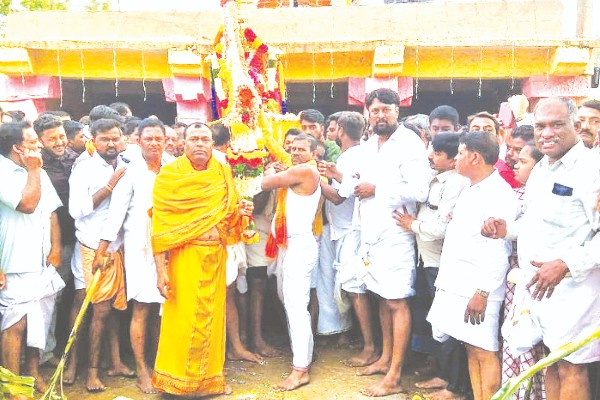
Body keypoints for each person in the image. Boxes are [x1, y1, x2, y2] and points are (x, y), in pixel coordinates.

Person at [482, 97, 600, 400]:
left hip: (576, 289)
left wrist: (566, 264)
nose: (546, 133)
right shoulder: (541, 170)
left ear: (576, 125)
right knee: (551, 361)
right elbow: (534, 224)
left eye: (556, 125)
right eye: (541, 126)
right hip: (539, 288)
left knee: (572, 367)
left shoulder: (592, 169)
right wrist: (505, 229)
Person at [151, 122, 253, 397]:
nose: (199, 144)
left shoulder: (222, 171)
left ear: (212, 144)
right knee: (181, 322)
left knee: (211, 321)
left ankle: (208, 382)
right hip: (184, 257)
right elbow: (161, 228)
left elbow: (228, 216)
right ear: (183, 144)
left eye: (204, 140)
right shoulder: (170, 175)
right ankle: (174, 383)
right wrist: (161, 272)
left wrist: (241, 211)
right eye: (193, 139)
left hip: (216, 256)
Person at [428, 131, 519, 400]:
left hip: (478, 289)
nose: (457, 158)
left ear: (475, 157)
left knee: (484, 351)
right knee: (471, 347)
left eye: (461, 152)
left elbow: (497, 248)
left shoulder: (497, 193)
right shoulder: (473, 186)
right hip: (460, 284)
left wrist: (482, 292)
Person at [353, 88, 431, 397]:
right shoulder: (369, 144)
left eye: (386, 109)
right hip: (371, 233)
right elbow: (358, 181)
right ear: (368, 114)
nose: (381, 115)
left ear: (397, 111)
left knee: (397, 301)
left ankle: (396, 375)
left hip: (396, 233)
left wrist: (377, 189)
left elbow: (420, 190)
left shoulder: (409, 143)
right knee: (382, 298)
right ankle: (385, 359)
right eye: (375, 110)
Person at [93, 118, 169, 394]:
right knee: (142, 309)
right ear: (138, 141)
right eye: (148, 138)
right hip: (140, 248)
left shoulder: (175, 167)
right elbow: (115, 216)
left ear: (166, 140)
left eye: (158, 138)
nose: (153, 143)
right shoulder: (129, 172)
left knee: (167, 310)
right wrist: (102, 249)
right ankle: (142, 370)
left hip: (173, 248)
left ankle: (164, 365)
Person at [394, 132, 470, 400]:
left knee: (448, 325)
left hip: (441, 263)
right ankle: (442, 374)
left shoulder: (456, 183)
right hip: (426, 260)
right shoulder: (434, 178)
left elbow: (440, 228)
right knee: (432, 320)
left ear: (452, 160)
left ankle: (456, 386)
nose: (430, 156)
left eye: (437, 153)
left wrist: (411, 225)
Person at [0, 121, 65, 394]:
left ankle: (33, 371)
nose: (38, 146)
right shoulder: (4, 172)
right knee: (16, 324)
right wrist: (34, 170)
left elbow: (50, 211)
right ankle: (14, 386)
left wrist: (56, 248)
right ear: (17, 148)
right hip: (13, 262)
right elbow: (27, 204)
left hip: (42, 261)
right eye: (32, 142)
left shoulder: (36, 170)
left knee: (40, 320)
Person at [69, 118, 133, 393]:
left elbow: (121, 213)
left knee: (110, 309)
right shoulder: (84, 168)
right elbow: (77, 210)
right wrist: (108, 186)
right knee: (94, 308)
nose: (111, 143)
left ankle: (114, 362)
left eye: (115, 138)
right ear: (92, 139)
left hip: (115, 247)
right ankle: (88, 371)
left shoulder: (126, 164)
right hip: (92, 247)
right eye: (105, 138)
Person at [261, 133, 322, 391]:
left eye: (301, 149)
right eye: (292, 148)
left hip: (299, 245)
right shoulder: (299, 171)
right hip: (288, 246)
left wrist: (268, 170)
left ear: (313, 154)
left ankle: (300, 369)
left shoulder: (306, 172)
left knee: (296, 306)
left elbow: (266, 184)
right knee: (289, 302)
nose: (294, 152)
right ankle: (303, 355)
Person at [318, 111, 377, 368]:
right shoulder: (355, 154)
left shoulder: (353, 156)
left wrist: (313, 179)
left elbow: (340, 197)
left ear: (340, 129)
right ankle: (362, 341)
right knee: (351, 288)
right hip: (346, 230)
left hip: (352, 231)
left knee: (355, 289)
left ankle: (370, 347)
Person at [501, 140, 547, 400]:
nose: (515, 165)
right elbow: (523, 228)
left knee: (536, 350)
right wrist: (504, 230)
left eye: (523, 161)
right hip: (519, 281)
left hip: (539, 280)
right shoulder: (523, 194)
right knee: (516, 343)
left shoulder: (542, 194)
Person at [33, 114, 77, 367]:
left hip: (79, 239)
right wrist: (54, 247)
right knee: (50, 298)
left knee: (71, 297)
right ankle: (44, 353)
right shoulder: (38, 167)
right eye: (52, 139)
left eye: (61, 136)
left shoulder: (76, 159)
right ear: (40, 140)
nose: (59, 142)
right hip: (53, 243)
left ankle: (66, 350)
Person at [468, 111, 521, 189]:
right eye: (476, 130)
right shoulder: (460, 165)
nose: (481, 133)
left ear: (497, 136)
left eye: (488, 130)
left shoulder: (503, 171)